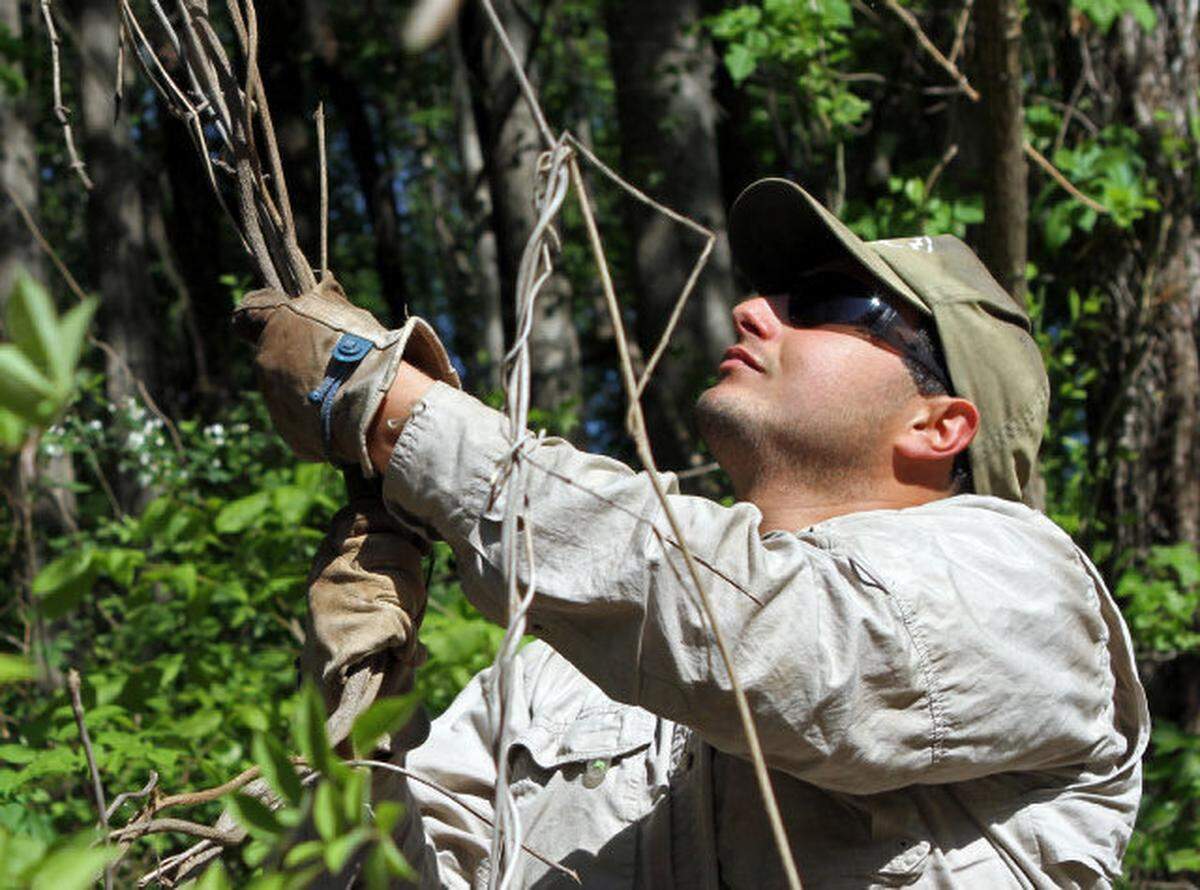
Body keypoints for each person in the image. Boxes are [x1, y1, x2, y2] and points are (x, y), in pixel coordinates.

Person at [235, 178, 1149, 888]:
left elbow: (779, 649)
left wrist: (404, 416)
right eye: (771, 293)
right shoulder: (554, 672)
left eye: (828, 302)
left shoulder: (1023, 589)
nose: (755, 310)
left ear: (938, 426)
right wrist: (355, 734)